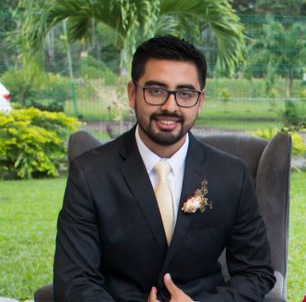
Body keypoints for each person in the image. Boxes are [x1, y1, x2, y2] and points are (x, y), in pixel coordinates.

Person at [54, 35, 275, 301]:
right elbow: (74, 281)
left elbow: (256, 273)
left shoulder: (231, 175)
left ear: (200, 101)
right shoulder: (90, 174)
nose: (170, 106)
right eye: (156, 91)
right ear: (133, 93)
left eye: (185, 94)